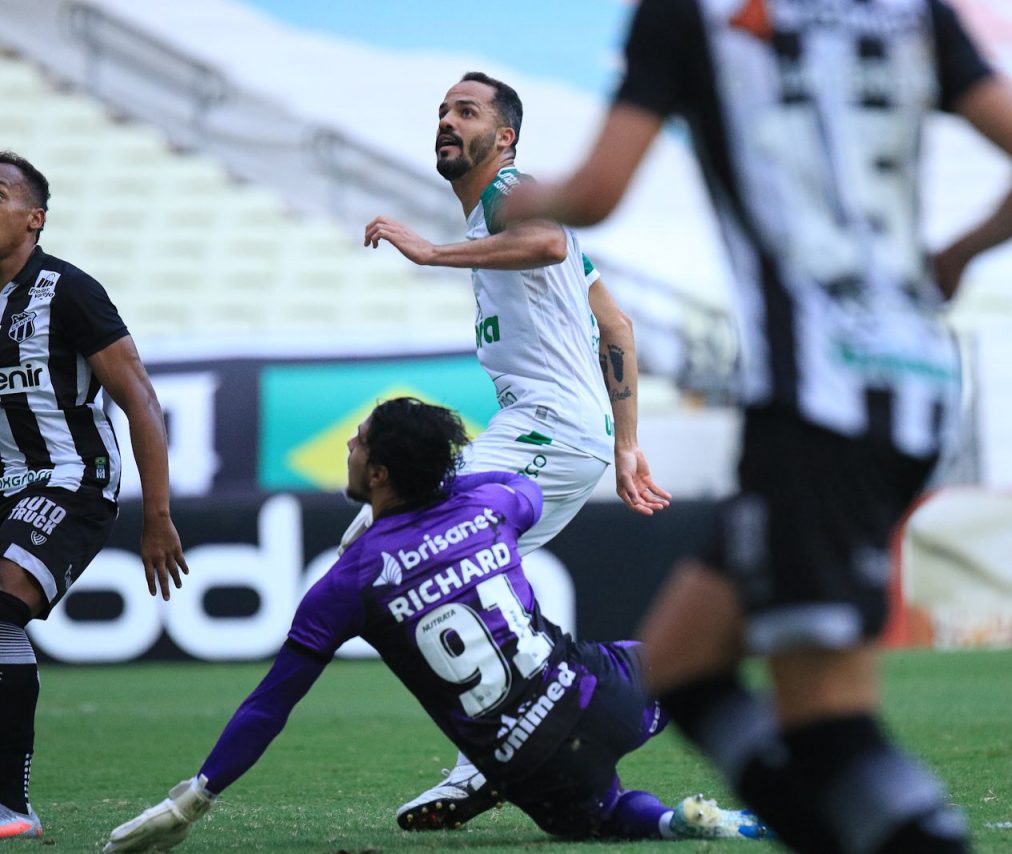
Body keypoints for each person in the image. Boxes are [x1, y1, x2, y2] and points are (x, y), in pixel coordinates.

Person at [504, 1, 1012, 851]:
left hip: (819, 400)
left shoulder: (689, 18)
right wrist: (956, 255)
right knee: (686, 664)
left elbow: (595, 193)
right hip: (915, 379)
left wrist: (513, 202)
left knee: (827, 720)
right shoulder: (910, 12)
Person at [102, 397, 767, 852]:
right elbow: (527, 491)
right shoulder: (491, 505)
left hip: (524, 767)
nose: (349, 447)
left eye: (358, 443)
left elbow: (269, 705)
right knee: (682, 663)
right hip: (593, 695)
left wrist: (196, 797)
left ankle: (680, 825)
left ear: (381, 473)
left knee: (605, 815)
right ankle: (777, 773)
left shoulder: (348, 581)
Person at [351, 70, 671, 830]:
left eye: (467, 111)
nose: (447, 121)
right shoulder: (503, 226)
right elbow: (616, 328)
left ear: (506, 138)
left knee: (388, 544)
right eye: (441, 111)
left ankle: (597, 695)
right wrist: (626, 446)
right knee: (457, 578)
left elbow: (547, 239)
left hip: (547, 426)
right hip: (571, 433)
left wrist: (428, 254)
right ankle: (501, 750)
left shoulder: (512, 197)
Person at [0, 151, 189, 840]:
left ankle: (11, 805)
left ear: (34, 218)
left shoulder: (68, 291)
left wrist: (157, 516)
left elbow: (139, 399)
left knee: (2, 600)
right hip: (2, 485)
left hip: (70, 480)